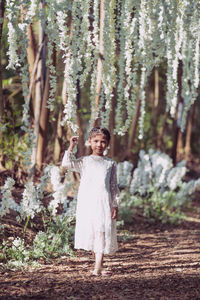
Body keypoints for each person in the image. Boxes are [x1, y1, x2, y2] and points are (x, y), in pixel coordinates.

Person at [62, 127, 120, 276]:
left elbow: (114, 187)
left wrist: (115, 204)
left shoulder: (110, 164)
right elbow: (67, 164)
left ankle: (98, 267)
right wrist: (72, 146)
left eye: (103, 142)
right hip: (87, 203)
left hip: (103, 203)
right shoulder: (85, 161)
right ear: (89, 142)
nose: (99, 145)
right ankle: (98, 264)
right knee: (94, 233)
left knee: (101, 231)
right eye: (95, 141)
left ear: (107, 144)